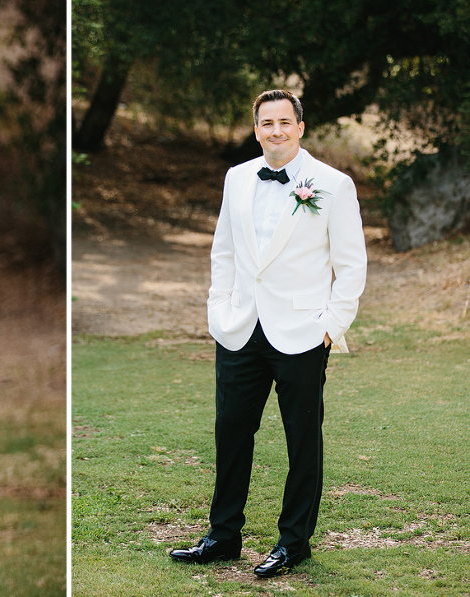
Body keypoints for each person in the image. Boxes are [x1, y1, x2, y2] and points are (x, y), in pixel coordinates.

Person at [167, 90, 366, 577]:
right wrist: (219, 310)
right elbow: (225, 252)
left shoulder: (333, 185)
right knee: (231, 433)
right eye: (265, 123)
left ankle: (294, 542)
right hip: (239, 330)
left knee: (303, 440)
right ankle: (222, 536)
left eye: (284, 122)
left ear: (300, 126)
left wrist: (330, 328)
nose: (274, 131)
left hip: (302, 332)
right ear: (255, 129)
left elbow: (352, 265)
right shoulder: (236, 178)